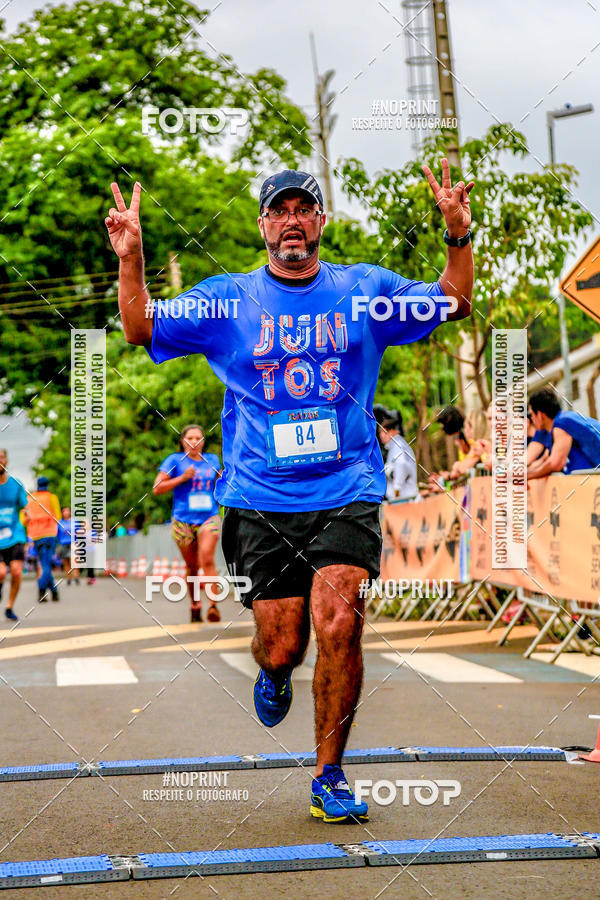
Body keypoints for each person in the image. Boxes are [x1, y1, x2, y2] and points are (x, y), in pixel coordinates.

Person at [106, 160, 474, 823]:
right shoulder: (226, 300)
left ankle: (328, 774)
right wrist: (132, 260)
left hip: (347, 489)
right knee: (285, 643)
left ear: (321, 221)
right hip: (257, 497)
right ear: (263, 225)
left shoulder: (364, 291)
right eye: (281, 210)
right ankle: (273, 673)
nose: (293, 220)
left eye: (305, 209)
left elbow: (453, 301)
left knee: (341, 623)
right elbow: (140, 329)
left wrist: (456, 235)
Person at [153, 425, 222, 623]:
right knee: (192, 566)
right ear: (183, 441)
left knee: (207, 558)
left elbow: (222, 482)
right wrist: (182, 478)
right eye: (190, 438)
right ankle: (195, 605)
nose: (194, 441)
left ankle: (213, 606)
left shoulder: (213, 460)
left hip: (209, 516)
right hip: (183, 520)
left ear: (203, 441)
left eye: (198, 438)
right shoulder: (174, 461)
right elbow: (157, 488)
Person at [528, 386, 600, 478]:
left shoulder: (561, 424)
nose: (532, 419)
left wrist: (525, 476)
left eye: (531, 414)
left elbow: (556, 464)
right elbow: (545, 461)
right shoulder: (560, 421)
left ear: (540, 415)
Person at [0, 449, 28, 620]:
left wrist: (27, 513)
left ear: (6, 461)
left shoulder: (16, 484)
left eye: (1, 457)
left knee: (16, 571)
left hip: (15, 534)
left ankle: (9, 606)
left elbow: (24, 505)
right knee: (1, 573)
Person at [24, 476, 61, 603]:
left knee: (44, 563)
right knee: (46, 564)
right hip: (50, 534)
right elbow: (58, 516)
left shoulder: (29, 499)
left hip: (36, 535)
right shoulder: (52, 497)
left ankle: (55, 592)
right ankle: (42, 590)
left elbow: (24, 520)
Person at [374, 406, 418, 500]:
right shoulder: (395, 445)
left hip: (404, 498)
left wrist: (396, 490)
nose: (382, 435)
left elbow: (401, 464)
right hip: (405, 497)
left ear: (393, 431)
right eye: (380, 432)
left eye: (385, 432)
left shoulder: (398, 445)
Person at [57, 507, 79, 585]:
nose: (66, 512)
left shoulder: (75, 522)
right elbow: (57, 534)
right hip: (63, 544)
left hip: (73, 543)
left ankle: (76, 577)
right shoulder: (60, 523)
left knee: (74, 561)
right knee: (66, 562)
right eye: (64, 511)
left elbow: (79, 532)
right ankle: (69, 578)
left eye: (67, 511)